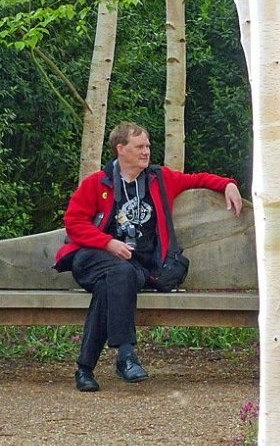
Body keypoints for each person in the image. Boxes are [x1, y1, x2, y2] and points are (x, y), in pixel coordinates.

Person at [53, 122, 244, 392]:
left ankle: (85, 369)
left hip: (135, 268)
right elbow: (74, 223)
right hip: (92, 259)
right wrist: (108, 243)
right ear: (121, 149)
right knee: (119, 273)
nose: (146, 151)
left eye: (148, 146)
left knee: (113, 284)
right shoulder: (98, 183)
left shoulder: (160, 179)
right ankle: (126, 355)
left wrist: (228, 184)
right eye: (139, 146)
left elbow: (197, 179)